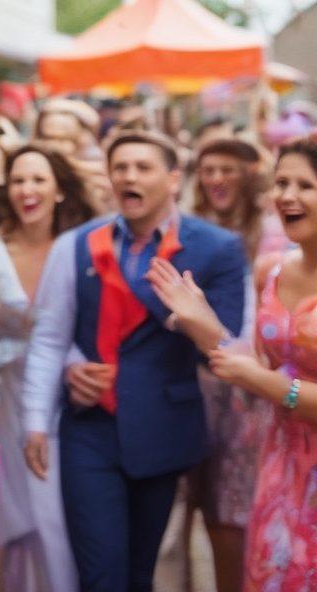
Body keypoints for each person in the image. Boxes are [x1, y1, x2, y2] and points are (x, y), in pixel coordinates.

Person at [22, 131, 247, 592]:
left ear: (173, 179)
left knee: (142, 571)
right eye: (120, 168)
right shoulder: (78, 243)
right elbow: (50, 336)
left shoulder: (217, 247)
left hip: (164, 428)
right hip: (89, 426)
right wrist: (38, 418)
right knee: (101, 573)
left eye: (143, 167)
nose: (129, 177)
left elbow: (229, 353)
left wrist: (193, 318)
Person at [155, 137, 280, 592]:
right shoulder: (186, 229)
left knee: (229, 516)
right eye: (207, 170)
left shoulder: (276, 233)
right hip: (190, 384)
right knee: (175, 518)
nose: (216, 179)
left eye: (227, 169)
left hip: (248, 392)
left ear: (251, 174)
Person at [199, 138, 317, 591]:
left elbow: (263, 379)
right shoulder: (271, 269)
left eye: (305, 185)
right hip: (280, 460)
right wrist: (200, 322)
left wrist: (264, 383)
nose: (287, 196)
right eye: (282, 183)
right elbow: (261, 365)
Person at [0, 145, 97, 592]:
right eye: (18, 180)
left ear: (59, 190)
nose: (27, 189)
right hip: (1, 399)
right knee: (7, 513)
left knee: (58, 515)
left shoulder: (81, 248)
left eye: (38, 179)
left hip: (68, 397)